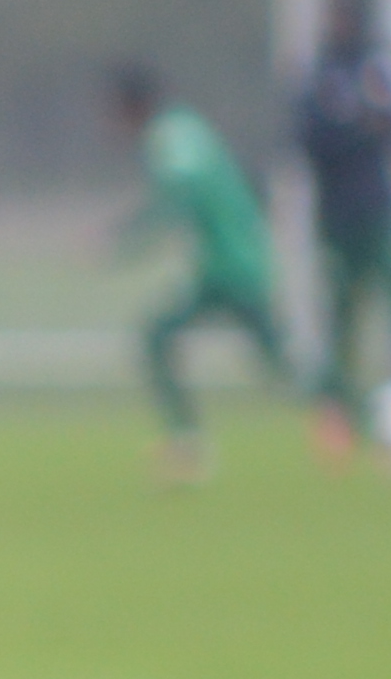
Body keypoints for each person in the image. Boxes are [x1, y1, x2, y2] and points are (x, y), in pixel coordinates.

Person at [111, 61, 296, 484]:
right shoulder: (186, 128)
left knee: (285, 365)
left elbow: (179, 198)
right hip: (226, 265)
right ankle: (185, 444)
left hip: (233, 269)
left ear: (132, 106)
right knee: (161, 338)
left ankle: (376, 416)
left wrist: (121, 240)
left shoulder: (170, 138)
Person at [289, 0, 391, 468]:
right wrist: (357, 131)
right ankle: (340, 421)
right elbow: (307, 138)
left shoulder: (375, 68)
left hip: (378, 212)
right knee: (342, 320)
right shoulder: (319, 75)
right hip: (336, 217)